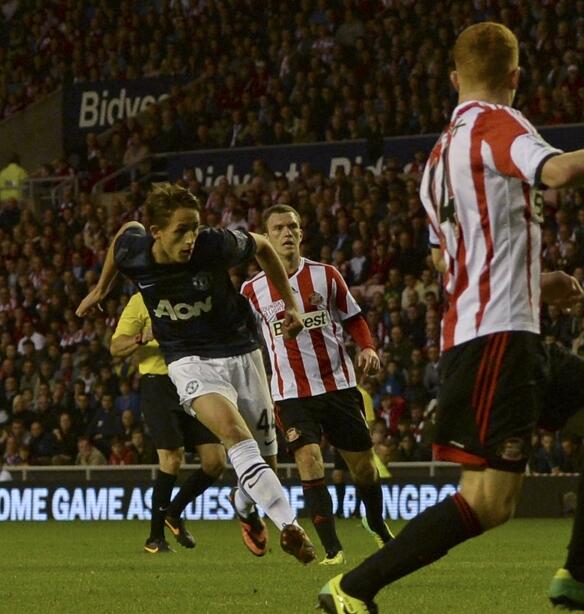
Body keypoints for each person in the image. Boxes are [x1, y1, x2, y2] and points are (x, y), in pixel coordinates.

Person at [318, 21, 584, 614]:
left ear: (453, 77)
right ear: (514, 77)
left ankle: (581, 575)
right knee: (488, 503)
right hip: (495, 340)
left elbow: (446, 261)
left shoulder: (434, 162)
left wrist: (536, 280)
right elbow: (556, 172)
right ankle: (353, 588)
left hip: (514, 328)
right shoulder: (497, 123)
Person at [76, 183, 316, 564]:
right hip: (187, 358)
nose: (190, 239)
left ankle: (243, 504)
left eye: (194, 228)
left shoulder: (215, 244)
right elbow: (123, 235)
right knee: (233, 435)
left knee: (266, 463)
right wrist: (101, 289)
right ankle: (290, 525)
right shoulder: (135, 253)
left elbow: (264, 247)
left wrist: (291, 305)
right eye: (180, 231)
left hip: (240, 349)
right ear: (156, 233)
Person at [241, 204, 394, 565]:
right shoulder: (252, 290)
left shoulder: (326, 275)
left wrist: (368, 346)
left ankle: (374, 521)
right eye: (278, 228)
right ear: (266, 237)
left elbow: (353, 318)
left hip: (338, 385)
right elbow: (243, 336)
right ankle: (331, 547)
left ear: (301, 233)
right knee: (310, 461)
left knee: (364, 468)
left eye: (293, 226)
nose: (287, 233)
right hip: (291, 393)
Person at [111, 292, 226, 554]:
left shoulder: (192, 296)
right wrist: (142, 337)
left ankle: (173, 512)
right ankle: (154, 538)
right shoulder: (140, 301)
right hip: (158, 385)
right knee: (171, 459)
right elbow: (115, 347)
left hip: (194, 381)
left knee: (215, 461)